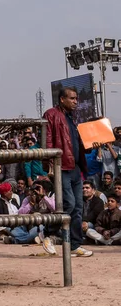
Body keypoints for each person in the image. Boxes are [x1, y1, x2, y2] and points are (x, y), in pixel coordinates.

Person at [44, 88, 93, 257]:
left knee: (78, 207)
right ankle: (48, 234)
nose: (75, 101)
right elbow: (47, 140)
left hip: (75, 167)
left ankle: (74, 245)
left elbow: (78, 144)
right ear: (62, 99)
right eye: (72, 98)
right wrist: (50, 163)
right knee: (69, 204)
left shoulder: (73, 118)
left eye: (76, 99)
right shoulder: (51, 114)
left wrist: (92, 144)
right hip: (61, 166)